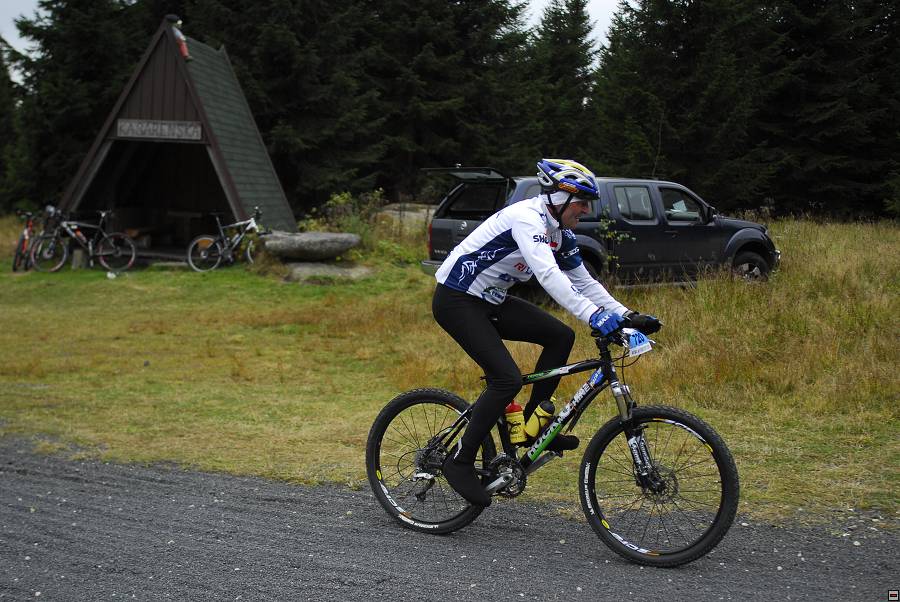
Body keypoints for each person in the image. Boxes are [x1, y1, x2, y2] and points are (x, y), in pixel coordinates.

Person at [432, 158, 660, 507]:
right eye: (582, 202)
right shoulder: (527, 218)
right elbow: (549, 275)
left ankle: (532, 426)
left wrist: (626, 315)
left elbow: (584, 281)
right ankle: (459, 462)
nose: (586, 210)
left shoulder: (560, 233)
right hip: (457, 299)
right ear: (560, 197)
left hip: (490, 300)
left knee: (560, 336)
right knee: (506, 379)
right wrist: (593, 316)